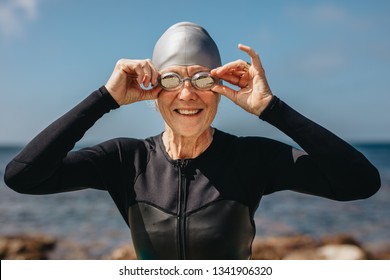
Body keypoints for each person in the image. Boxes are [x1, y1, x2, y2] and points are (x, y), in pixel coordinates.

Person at [4, 22, 380, 260]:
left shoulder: (251, 158)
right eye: (171, 80)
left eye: (201, 79)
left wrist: (271, 108)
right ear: (152, 92)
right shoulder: (125, 159)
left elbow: (360, 182)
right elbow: (23, 176)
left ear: (218, 88)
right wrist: (105, 98)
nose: (187, 94)